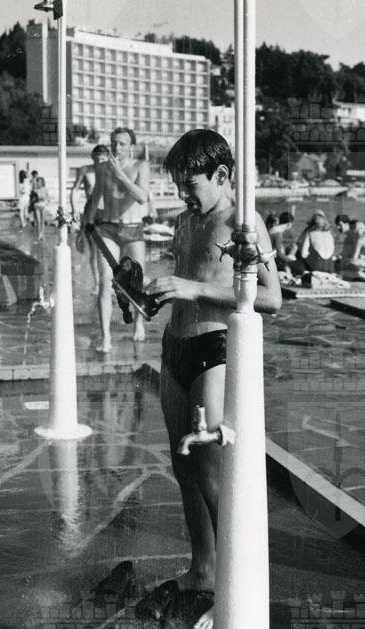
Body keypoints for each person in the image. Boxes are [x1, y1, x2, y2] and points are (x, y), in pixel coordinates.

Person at [141, 129, 281, 627]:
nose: (183, 193)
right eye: (177, 184)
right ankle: (203, 569)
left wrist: (191, 288)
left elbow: (271, 299)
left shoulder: (244, 223)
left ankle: (237, 582)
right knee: (183, 468)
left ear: (221, 175)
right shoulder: (184, 221)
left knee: (210, 472)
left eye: (190, 183)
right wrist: (149, 297)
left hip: (212, 351)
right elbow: (188, 280)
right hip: (175, 347)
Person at [85, 127, 151, 350]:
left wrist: (120, 173)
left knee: (136, 281)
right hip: (107, 228)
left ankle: (138, 324)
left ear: (131, 145)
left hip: (133, 229)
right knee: (106, 282)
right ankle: (106, 337)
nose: (117, 147)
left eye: (122, 143)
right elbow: (95, 198)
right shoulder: (103, 168)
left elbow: (142, 197)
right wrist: (85, 228)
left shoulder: (141, 166)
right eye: (114, 143)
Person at [72, 144, 110, 295]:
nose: (99, 162)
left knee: (110, 249)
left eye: (103, 159)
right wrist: (75, 209)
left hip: (109, 210)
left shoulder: (112, 171)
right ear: (92, 158)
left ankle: (109, 282)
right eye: (97, 159)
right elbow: (74, 190)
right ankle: (97, 284)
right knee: (94, 249)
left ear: (108, 158)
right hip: (91, 211)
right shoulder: (85, 170)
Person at [32, 176, 49, 240]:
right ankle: (39, 234)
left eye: (39, 182)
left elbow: (48, 197)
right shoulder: (35, 189)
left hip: (43, 206)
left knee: (42, 221)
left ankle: (42, 234)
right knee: (38, 221)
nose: (38, 183)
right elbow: (33, 198)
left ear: (42, 182)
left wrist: (46, 202)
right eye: (37, 181)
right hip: (37, 205)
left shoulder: (45, 189)